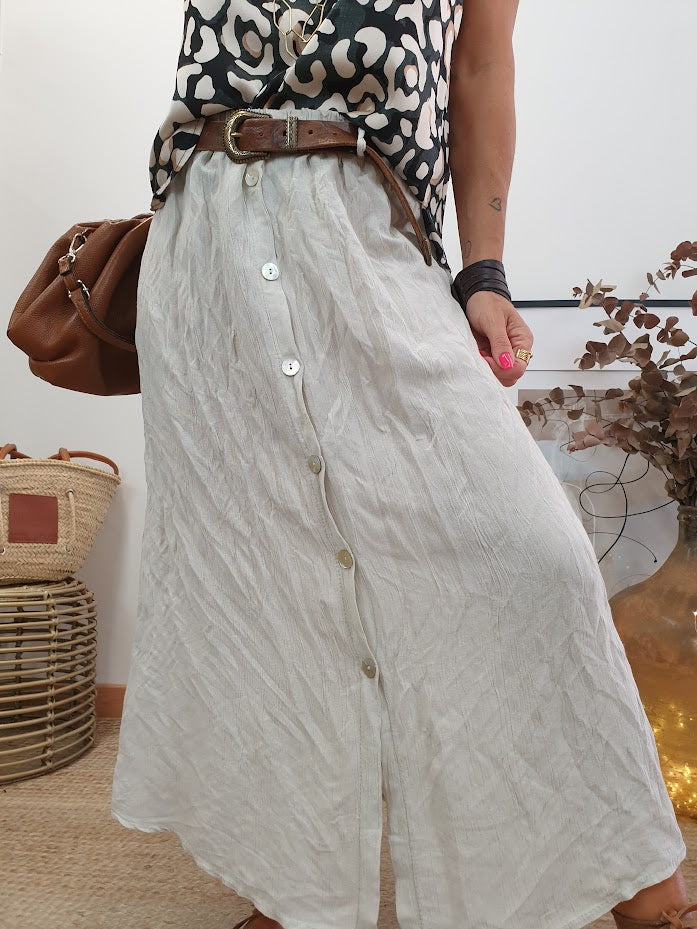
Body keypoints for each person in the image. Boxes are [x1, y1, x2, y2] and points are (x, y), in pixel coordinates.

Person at [111, 2, 694, 929]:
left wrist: (484, 273)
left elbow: (481, 65)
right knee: (264, 580)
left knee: (532, 554)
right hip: (205, 242)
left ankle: (631, 873)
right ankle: (296, 887)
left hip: (369, 225)